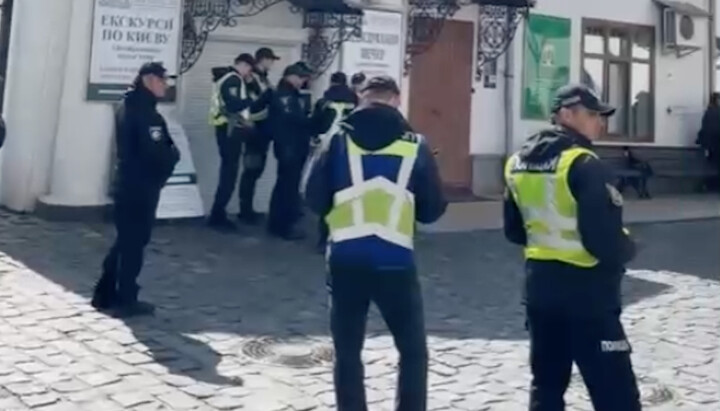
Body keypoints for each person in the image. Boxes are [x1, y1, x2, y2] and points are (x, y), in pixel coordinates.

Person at [305, 76, 447, 411]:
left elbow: (311, 196)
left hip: (345, 259)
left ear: (361, 98)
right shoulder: (416, 144)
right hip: (394, 260)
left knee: (347, 352)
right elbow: (432, 210)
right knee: (413, 351)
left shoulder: (337, 139)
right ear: (396, 99)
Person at [503, 84, 641, 411]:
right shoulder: (584, 164)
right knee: (617, 394)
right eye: (592, 114)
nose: (600, 123)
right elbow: (604, 241)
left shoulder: (516, 162)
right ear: (566, 114)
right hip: (588, 297)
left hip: (541, 292)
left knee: (547, 388)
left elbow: (514, 231)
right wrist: (630, 248)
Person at [92, 62, 180, 317]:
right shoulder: (142, 111)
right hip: (139, 186)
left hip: (133, 184)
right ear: (148, 79)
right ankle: (124, 298)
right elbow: (157, 151)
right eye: (162, 80)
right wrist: (172, 156)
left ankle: (105, 292)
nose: (165, 85)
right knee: (133, 244)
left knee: (125, 241)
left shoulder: (133, 105)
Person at [306, 71, 358, 251]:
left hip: (326, 149)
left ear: (331, 83)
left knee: (326, 192)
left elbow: (314, 124)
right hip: (349, 149)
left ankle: (323, 238)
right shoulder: (356, 102)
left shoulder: (324, 101)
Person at [207, 53, 258, 231]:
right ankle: (217, 215)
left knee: (228, 173)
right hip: (229, 131)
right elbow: (233, 105)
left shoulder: (227, 79)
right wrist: (250, 99)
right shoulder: (233, 80)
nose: (248, 74)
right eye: (249, 69)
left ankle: (218, 213)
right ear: (242, 65)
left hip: (228, 129)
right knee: (229, 174)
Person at [231, 47, 280, 224]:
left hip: (263, 129)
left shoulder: (263, 77)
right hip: (254, 129)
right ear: (262, 59)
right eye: (270, 60)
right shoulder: (253, 77)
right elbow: (254, 102)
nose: (272, 63)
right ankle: (245, 211)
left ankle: (248, 209)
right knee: (251, 170)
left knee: (256, 170)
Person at [266, 62, 314, 240]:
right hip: (289, 146)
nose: (303, 82)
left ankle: (280, 223)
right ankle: (282, 225)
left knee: (287, 185)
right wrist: (315, 120)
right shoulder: (284, 96)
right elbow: (294, 120)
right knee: (287, 186)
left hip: (292, 145)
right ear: (291, 77)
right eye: (301, 78)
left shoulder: (291, 95)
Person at [697, 92, 720, 191]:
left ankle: (709, 185)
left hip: (710, 145)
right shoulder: (715, 112)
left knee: (713, 166)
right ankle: (711, 185)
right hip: (715, 144)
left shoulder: (709, 112)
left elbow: (706, 129)